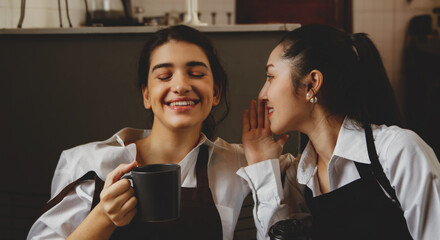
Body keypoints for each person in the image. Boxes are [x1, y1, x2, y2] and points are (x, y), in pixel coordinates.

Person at [27, 25, 290, 240]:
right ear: (146, 94)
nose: (181, 85)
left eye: (196, 73)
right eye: (164, 76)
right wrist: (103, 217)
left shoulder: (239, 164)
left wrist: (264, 162)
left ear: (216, 93)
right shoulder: (86, 163)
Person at [241, 24, 440, 240]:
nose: (262, 95)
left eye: (270, 77)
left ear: (312, 83)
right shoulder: (300, 179)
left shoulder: (397, 151)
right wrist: (261, 164)